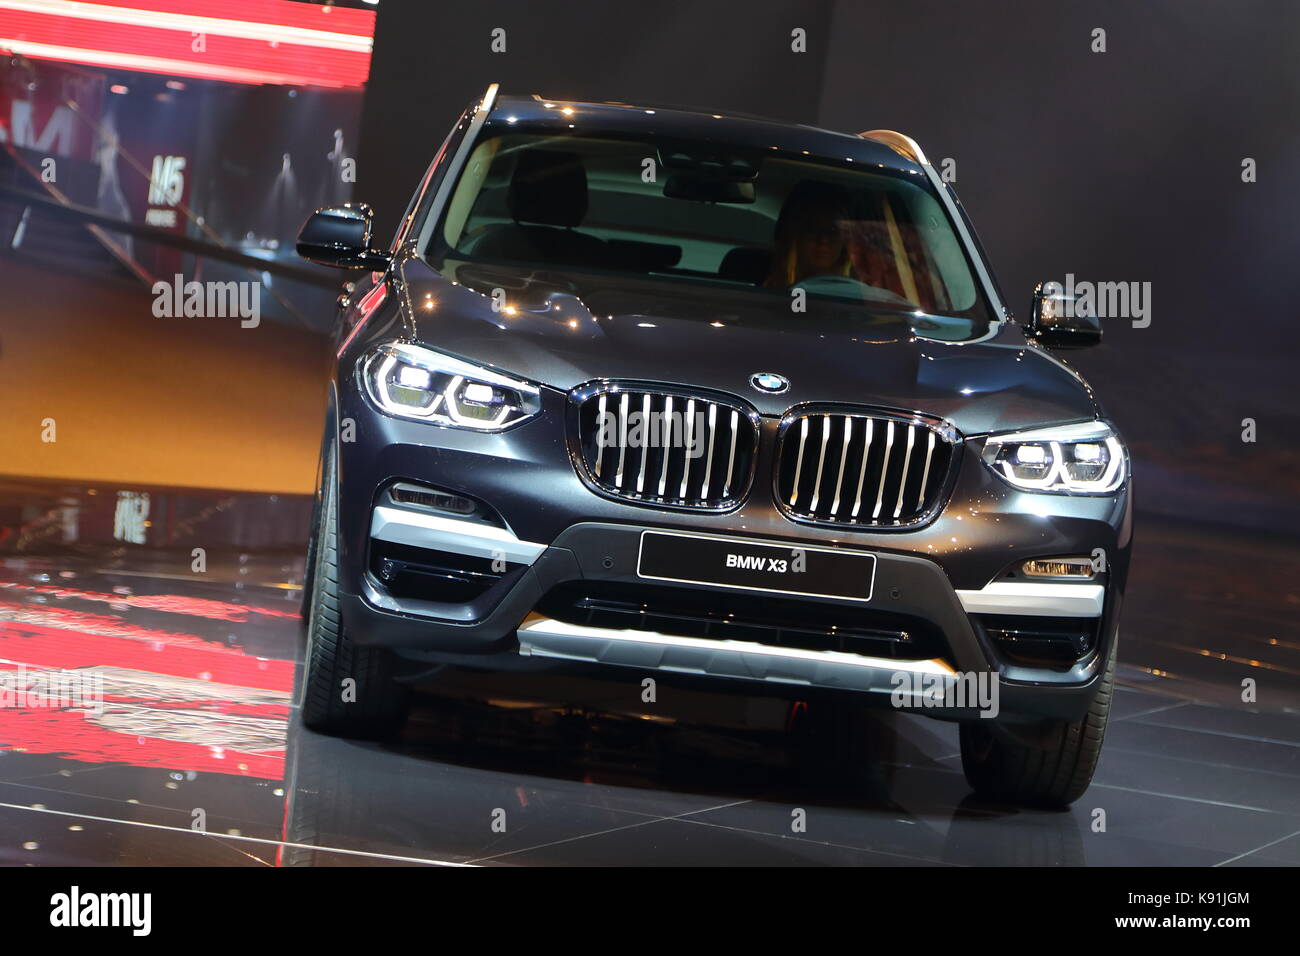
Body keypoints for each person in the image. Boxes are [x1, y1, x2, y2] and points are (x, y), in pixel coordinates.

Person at [763, 181, 854, 289]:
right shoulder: (771, 294)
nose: (823, 239)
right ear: (794, 237)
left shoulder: (859, 297)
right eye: (812, 228)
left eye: (833, 230)